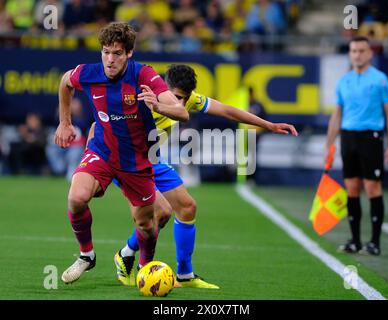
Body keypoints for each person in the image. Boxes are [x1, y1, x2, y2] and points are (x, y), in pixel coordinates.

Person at [101, 64, 298, 288]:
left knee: (187, 207)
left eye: (184, 99)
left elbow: (227, 110)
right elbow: (101, 122)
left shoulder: (185, 101)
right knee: (160, 211)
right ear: (162, 87)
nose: (180, 104)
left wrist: (268, 125)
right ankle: (142, 267)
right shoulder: (140, 95)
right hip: (125, 162)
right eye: (175, 97)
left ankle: (180, 272)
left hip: (152, 161)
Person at [54, 22, 188, 284]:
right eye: (105, 52)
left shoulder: (144, 76)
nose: (110, 59)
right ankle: (86, 255)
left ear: (129, 53)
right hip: (102, 152)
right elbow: (65, 82)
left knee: (147, 226)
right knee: (76, 197)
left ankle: (145, 266)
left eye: (116, 53)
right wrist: (65, 122)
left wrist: (157, 105)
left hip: (136, 162)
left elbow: (182, 112)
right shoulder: (90, 73)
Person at [325, 36, 388, 256]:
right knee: (352, 188)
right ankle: (355, 240)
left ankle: (374, 242)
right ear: (350, 53)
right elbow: (337, 115)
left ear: (369, 53)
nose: (357, 54)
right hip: (348, 137)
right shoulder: (343, 81)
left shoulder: (381, 80)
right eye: (354, 51)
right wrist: (330, 145)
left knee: (373, 187)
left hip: (371, 137)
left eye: (361, 51)